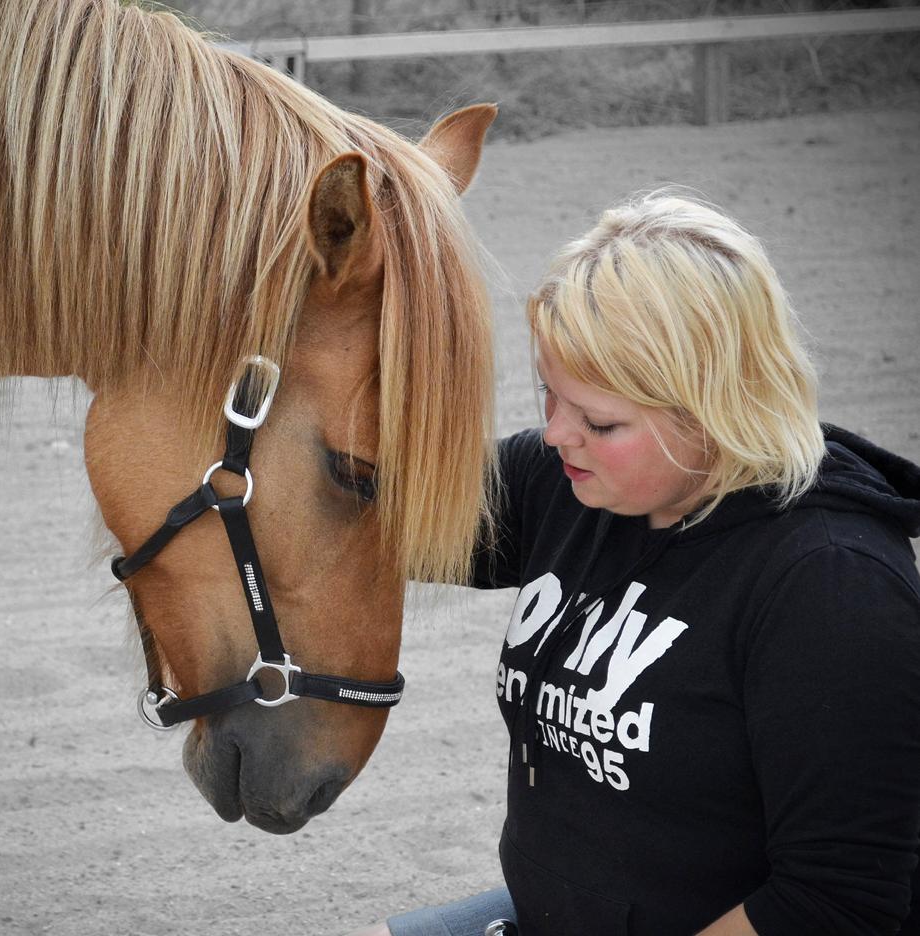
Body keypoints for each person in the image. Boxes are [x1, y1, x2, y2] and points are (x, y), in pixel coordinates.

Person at [351, 192, 920, 936]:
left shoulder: (830, 587)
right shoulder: (568, 486)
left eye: (600, 421)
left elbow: (835, 904)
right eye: (549, 395)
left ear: (714, 408)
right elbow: (361, 507)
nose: (556, 434)